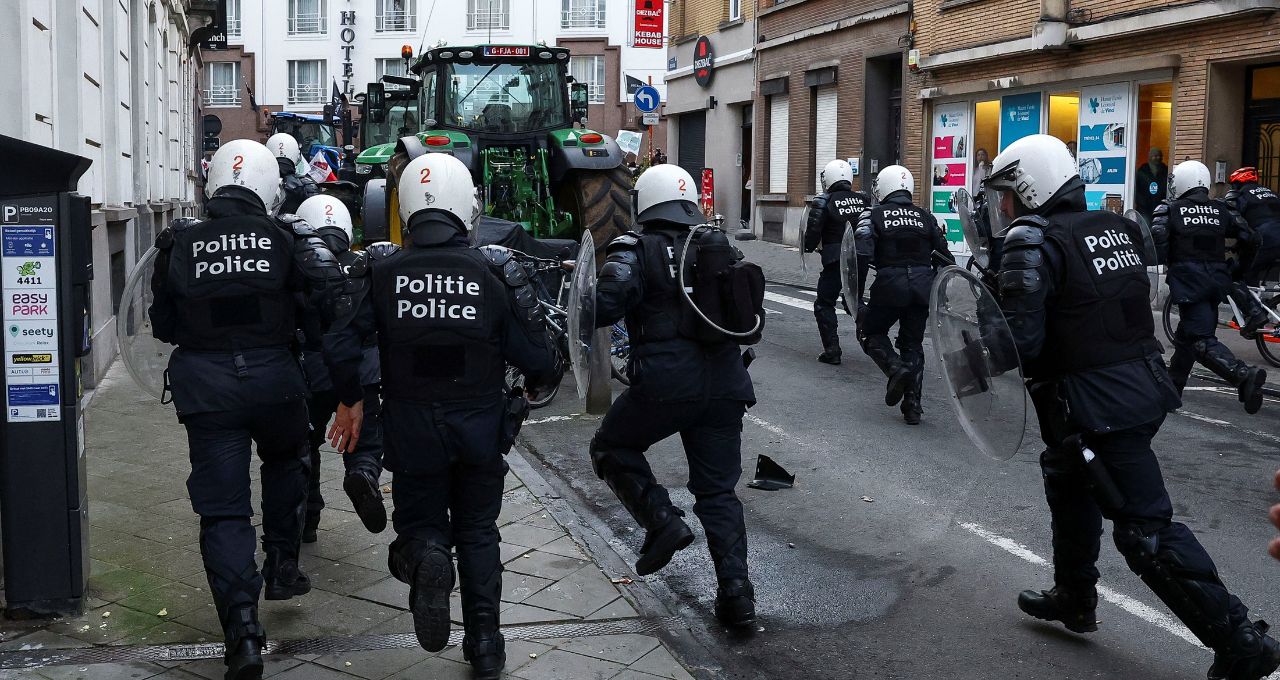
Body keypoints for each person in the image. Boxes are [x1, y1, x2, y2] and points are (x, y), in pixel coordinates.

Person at [985, 134, 1279, 680]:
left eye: (1007, 194)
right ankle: (1074, 597)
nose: (1003, 206)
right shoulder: (1116, 227)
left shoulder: (1032, 239)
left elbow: (1016, 343)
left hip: (1096, 403)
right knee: (1067, 478)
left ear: (1029, 187)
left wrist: (979, 334)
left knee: (1143, 530)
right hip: (1138, 385)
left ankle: (1241, 640)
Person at [324, 153, 555, 680]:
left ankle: (428, 554)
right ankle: (487, 644)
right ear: (463, 206)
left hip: (410, 430)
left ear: (406, 206)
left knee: (423, 525)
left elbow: (339, 342)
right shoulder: (491, 272)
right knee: (478, 531)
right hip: (479, 428)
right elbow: (538, 358)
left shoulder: (382, 271)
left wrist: (351, 397)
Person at [148, 139, 349, 680]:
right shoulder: (287, 238)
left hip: (207, 390)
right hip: (276, 382)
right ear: (268, 186)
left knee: (223, 510)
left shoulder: (178, 243)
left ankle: (241, 631)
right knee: (287, 463)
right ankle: (283, 565)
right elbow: (326, 307)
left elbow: (162, 324)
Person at [589, 164, 758, 627]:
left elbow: (606, 305)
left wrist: (586, 287)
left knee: (612, 445)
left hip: (665, 386)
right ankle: (738, 597)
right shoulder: (718, 247)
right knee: (719, 491)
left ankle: (662, 522)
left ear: (645, 201)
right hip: (726, 386)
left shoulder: (635, 247)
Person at [293, 194, 388, 542]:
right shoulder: (364, 267)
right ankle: (363, 472)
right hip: (363, 370)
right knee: (364, 437)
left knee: (305, 444)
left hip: (312, 368)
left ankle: (307, 518)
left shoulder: (301, 269)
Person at [1153, 160, 1267, 414]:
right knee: (1186, 339)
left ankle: (1243, 376)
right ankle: (1171, 391)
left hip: (1188, 284)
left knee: (1201, 342)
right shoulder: (1221, 210)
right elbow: (1252, 238)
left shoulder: (1170, 209)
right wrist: (1236, 270)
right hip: (1216, 283)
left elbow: (1157, 246)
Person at [856, 165, 955, 425]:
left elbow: (861, 254)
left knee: (869, 331)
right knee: (912, 343)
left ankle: (894, 368)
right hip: (923, 287)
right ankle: (913, 406)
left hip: (890, 285)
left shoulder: (873, 215)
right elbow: (946, 257)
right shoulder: (925, 216)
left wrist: (854, 295)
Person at [804, 160, 872, 364]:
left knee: (824, 303)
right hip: (861, 258)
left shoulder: (823, 200)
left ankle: (832, 350)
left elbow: (813, 233)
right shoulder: (863, 199)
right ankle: (871, 335)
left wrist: (808, 246)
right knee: (855, 301)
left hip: (836, 259)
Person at [1224, 166, 1280, 337]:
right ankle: (1255, 308)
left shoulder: (1240, 195)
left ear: (1237, 183)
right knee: (1251, 270)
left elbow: (1235, 223)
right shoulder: (1271, 193)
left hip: (1266, 241)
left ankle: (1254, 314)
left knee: (1233, 275)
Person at [267, 132, 319, 214]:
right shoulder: (304, 184)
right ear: (297, 155)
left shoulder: (259, 181)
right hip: (293, 225)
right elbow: (315, 212)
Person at [1134, 147, 1168, 223]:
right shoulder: (1142, 171)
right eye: (1155, 156)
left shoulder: (1166, 170)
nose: (1157, 158)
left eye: (1159, 156)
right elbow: (1136, 189)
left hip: (1161, 208)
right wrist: (1141, 203)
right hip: (1144, 209)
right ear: (1149, 157)